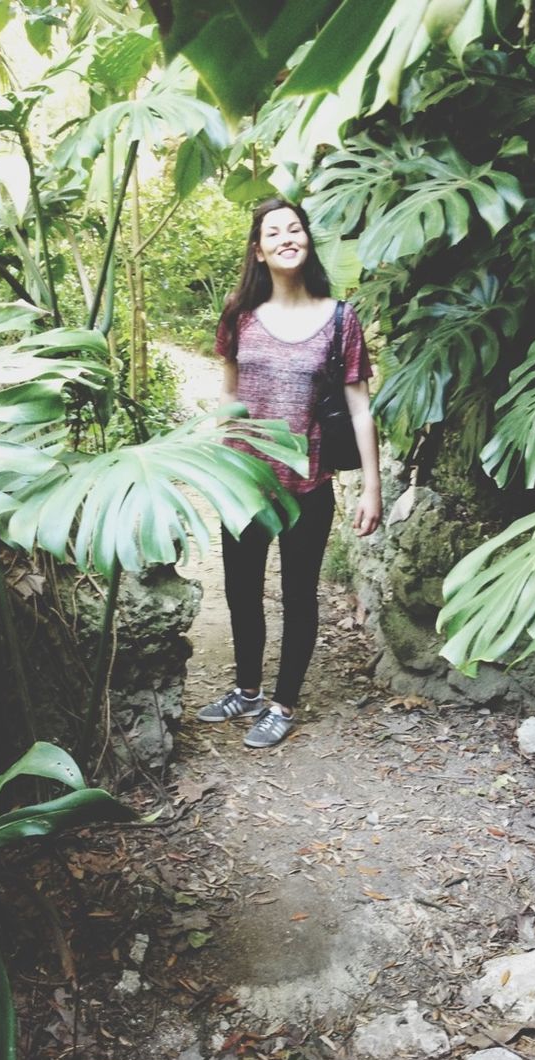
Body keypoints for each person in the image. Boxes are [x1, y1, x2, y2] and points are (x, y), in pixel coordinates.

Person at [196, 197, 382, 748]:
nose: (286, 237)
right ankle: (247, 690)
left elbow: (360, 407)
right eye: (273, 231)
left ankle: (282, 703)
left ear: (306, 240)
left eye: (294, 228)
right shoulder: (239, 314)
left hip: (308, 484)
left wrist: (372, 486)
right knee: (240, 590)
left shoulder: (340, 318)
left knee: (299, 594)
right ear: (259, 250)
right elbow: (228, 393)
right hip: (244, 481)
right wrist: (217, 454)